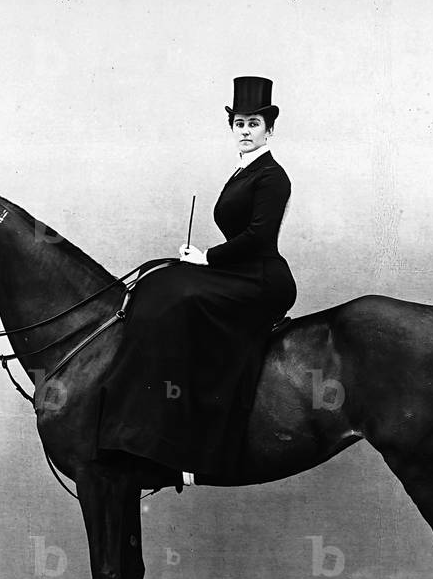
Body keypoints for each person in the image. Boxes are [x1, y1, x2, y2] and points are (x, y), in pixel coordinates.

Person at [94, 76, 297, 483]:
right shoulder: (241, 173)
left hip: (263, 280)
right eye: (239, 124)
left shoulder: (273, 176)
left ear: (269, 129)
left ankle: (188, 442)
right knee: (158, 286)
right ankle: (140, 428)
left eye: (253, 124)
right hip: (239, 271)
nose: (245, 131)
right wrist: (201, 261)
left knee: (179, 298)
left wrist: (208, 259)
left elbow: (257, 237)